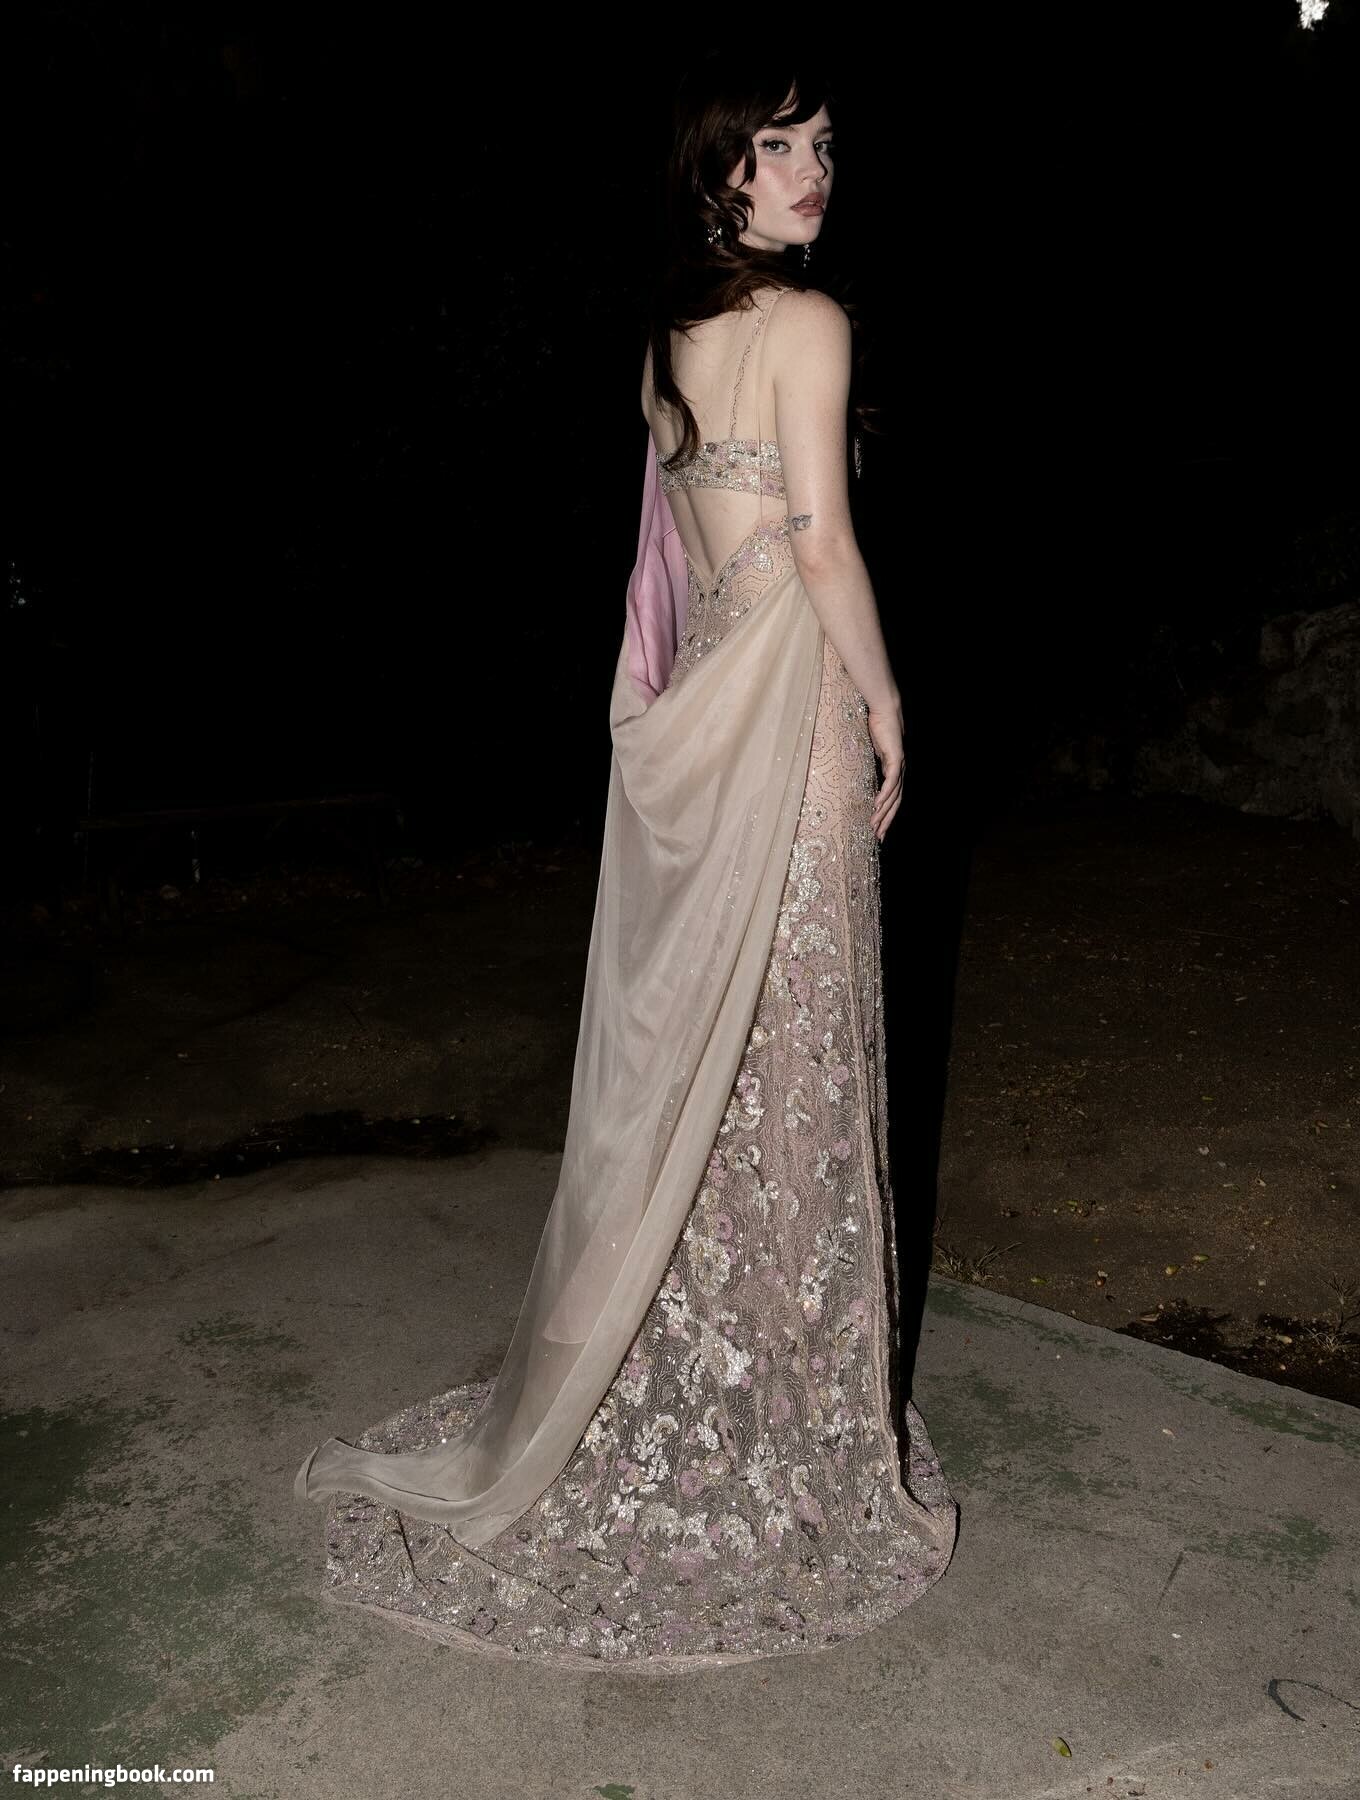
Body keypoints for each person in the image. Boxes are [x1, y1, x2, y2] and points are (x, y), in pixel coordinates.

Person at [292, 55, 958, 1672]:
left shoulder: (668, 340)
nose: (811, 171)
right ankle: (779, 1396)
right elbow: (820, 542)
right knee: (798, 1051)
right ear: (719, 168)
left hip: (711, 711)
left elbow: (673, 564)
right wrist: (886, 701)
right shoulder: (809, 324)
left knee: (719, 1062)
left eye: (824, 144)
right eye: (778, 147)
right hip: (791, 712)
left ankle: (714, 1359)